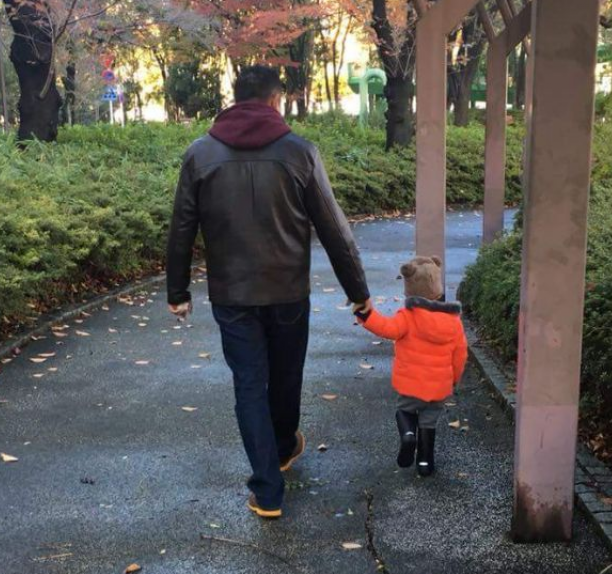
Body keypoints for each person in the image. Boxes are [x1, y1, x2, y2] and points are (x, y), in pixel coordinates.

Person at [165, 65, 371, 519]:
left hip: (232, 295)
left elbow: (182, 225)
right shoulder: (300, 152)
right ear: (276, 101)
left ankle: (267, 489)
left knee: (249, 385)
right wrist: (359, 292)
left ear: (235, 99)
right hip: (287, 292)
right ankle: (281, 449)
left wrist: (177, 290)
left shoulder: (200, 154)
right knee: (286, 376)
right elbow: (334, 229)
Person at [353, 256, 467, 477]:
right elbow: (460, 354)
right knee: (429, 421)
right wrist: (454, 379)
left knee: (405, 409)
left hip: (410, 384)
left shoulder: (407, 317)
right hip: (438, 388)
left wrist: (365, 314)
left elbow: (385, 328)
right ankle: (425, 463)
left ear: (409, 290)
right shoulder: (453, 322)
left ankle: (407, 435)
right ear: (437, 288)